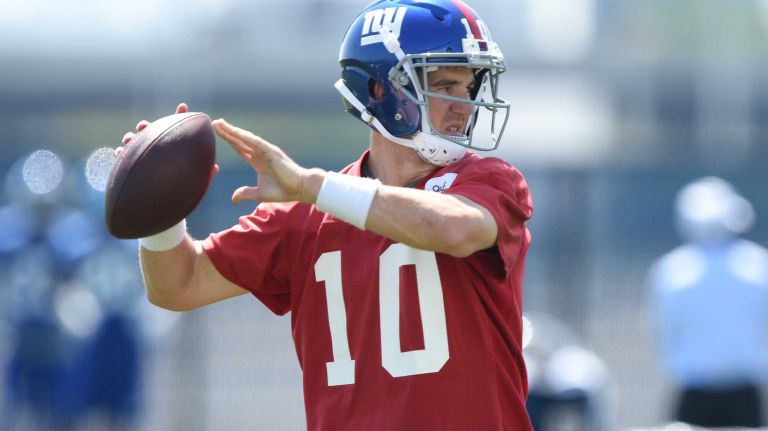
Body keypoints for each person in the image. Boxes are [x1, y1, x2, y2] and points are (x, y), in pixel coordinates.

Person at [121, 1, 534, 429]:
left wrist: (310, 186)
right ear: (381, 91)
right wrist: (159, 207)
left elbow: (451, 227)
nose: (463, 106)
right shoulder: (308, 211)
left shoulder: (489, 179)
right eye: (445, 85)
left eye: (468, 88)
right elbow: (178, 284)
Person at [648, 177, 768, 428]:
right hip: (744, 394)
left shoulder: (671, 271)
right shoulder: (758, 266)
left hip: (694, 393)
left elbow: (663, 331)